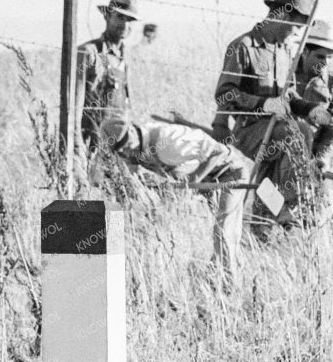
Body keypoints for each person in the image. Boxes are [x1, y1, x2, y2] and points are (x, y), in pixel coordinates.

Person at [212, 0, 322, 239]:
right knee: (296, 133)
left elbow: (290, 96)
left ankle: (263, 231)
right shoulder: (243, 46)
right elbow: (225, 93)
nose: (296, 35)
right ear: (280, 15)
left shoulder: (285, 51)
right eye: (295, 28)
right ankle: (291, 208)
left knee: (268, 179)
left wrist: (310, 109)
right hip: (248, 131)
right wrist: (263, 105)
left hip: (277, 133)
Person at [98, 116, 250, 276]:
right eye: (118, 150)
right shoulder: (136, 149)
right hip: (205, 181)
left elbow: (217, 152)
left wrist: (192, 182)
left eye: (124, 145)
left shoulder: (168, 140)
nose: (124, 152)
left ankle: (230, 287)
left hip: (229, 174)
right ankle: (219, 277)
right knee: (220, 235)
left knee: (223, 233)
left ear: (131, 131)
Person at [278, 18, 333, 230]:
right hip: (280, 153)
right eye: (320, 56)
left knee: (314, 218)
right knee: (268, 206)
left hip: (311, 161)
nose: (325, 63)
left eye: (329, 57)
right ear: (305, 52)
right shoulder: (284, 74)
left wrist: (322, 159)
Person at [75, 0, 141, 147]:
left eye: (130, 20)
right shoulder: (89, 52)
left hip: (118, 144)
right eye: (119, 17)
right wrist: (77, 143)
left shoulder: (125, 56)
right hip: (90, 140)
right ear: (107, 16)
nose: (124, 24)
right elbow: (74, 105)